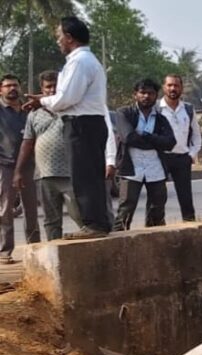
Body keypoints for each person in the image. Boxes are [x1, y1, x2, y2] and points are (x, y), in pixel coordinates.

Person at [22, 16, 110, 239]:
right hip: (87, 123)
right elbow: (66, 96)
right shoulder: (84, 60)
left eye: (59, 36)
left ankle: (94, 225)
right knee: (88, 176)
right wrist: (44, 99)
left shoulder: (79, 62)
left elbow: (66, 99)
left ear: (69, 38)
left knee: (84, 177)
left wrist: (42, 101)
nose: (58, 41)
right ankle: (97, 223)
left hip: (82, 125)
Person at [14, 71, 80, 241]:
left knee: (80, 215)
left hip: (71, 173)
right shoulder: (34, 114)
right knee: (51, 221)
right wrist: (18, 171)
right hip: (44, 175)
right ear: (42, 89)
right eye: (48, 87)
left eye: (55, 86)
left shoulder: (72, 108)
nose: (52, 90)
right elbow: (27, 143)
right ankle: (55, 252)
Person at [112, 79, 176, 231]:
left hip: (156, 168)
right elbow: (128, 137)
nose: (146, 96)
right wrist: (155, 141)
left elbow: (170, 142)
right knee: (126, 209)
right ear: (135, 94)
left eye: (150, 93)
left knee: (157, 210)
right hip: (131, 167)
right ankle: (120, 241)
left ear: (156, 96)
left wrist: (146, 135)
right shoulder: (124, 113)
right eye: (143, 93)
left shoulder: (161, 119)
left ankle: (155, 239)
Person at [1, 74, 39, 265]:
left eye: (15, 85)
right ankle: (5, 251)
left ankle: (35, 249)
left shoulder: (29, 110)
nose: (12, 89)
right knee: (5, 209)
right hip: (5, 166)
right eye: (8, 86)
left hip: (29, 166)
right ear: (1, 90)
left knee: (31, 209)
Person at [158, 74, 202, 222]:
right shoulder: (156, 108)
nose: (173, 88)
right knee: (157, 196)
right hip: (161, 158)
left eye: (176, 85)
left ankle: (190, 225)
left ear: (181, 88)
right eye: (169, 85)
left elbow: (196, 136)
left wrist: (191, 154)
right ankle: (155, 227)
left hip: (182, 158)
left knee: (185, 197)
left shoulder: (188, 109)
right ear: (164, 87)